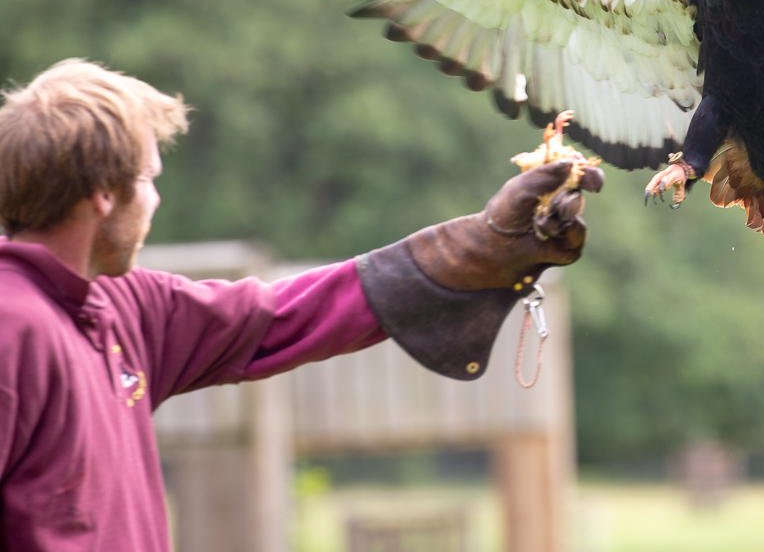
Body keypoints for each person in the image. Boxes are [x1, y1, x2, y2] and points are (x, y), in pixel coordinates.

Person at [0, 58, 601, 552]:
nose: (155, 200)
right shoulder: (11, 329)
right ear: (104, 194)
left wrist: (477, 248)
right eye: (149, 178)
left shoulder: (122, 307)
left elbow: (285, 316)